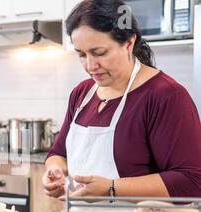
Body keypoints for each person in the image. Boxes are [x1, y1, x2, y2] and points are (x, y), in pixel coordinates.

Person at [43, 0, 201, 200]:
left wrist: (111, 188)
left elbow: (192, 181)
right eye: (81, 55)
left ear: (129, 43)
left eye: (99, 53)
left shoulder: (166, 96)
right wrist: (55, 171)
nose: (90, 65)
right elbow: (58, 153)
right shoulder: (82, 93)